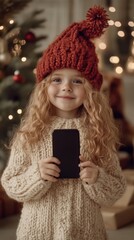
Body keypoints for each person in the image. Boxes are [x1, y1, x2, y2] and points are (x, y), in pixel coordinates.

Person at [1, 6, 126, 240]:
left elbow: (116, 189)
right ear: (44, 86)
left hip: (86, 233)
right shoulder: (30, 133)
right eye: (57, 79)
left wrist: (97, 177)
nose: (66, 87)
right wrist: (36, 176)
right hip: (37, 233)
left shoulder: (97, 133)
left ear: (90, 90)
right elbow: (11, 184)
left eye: (77, 81)